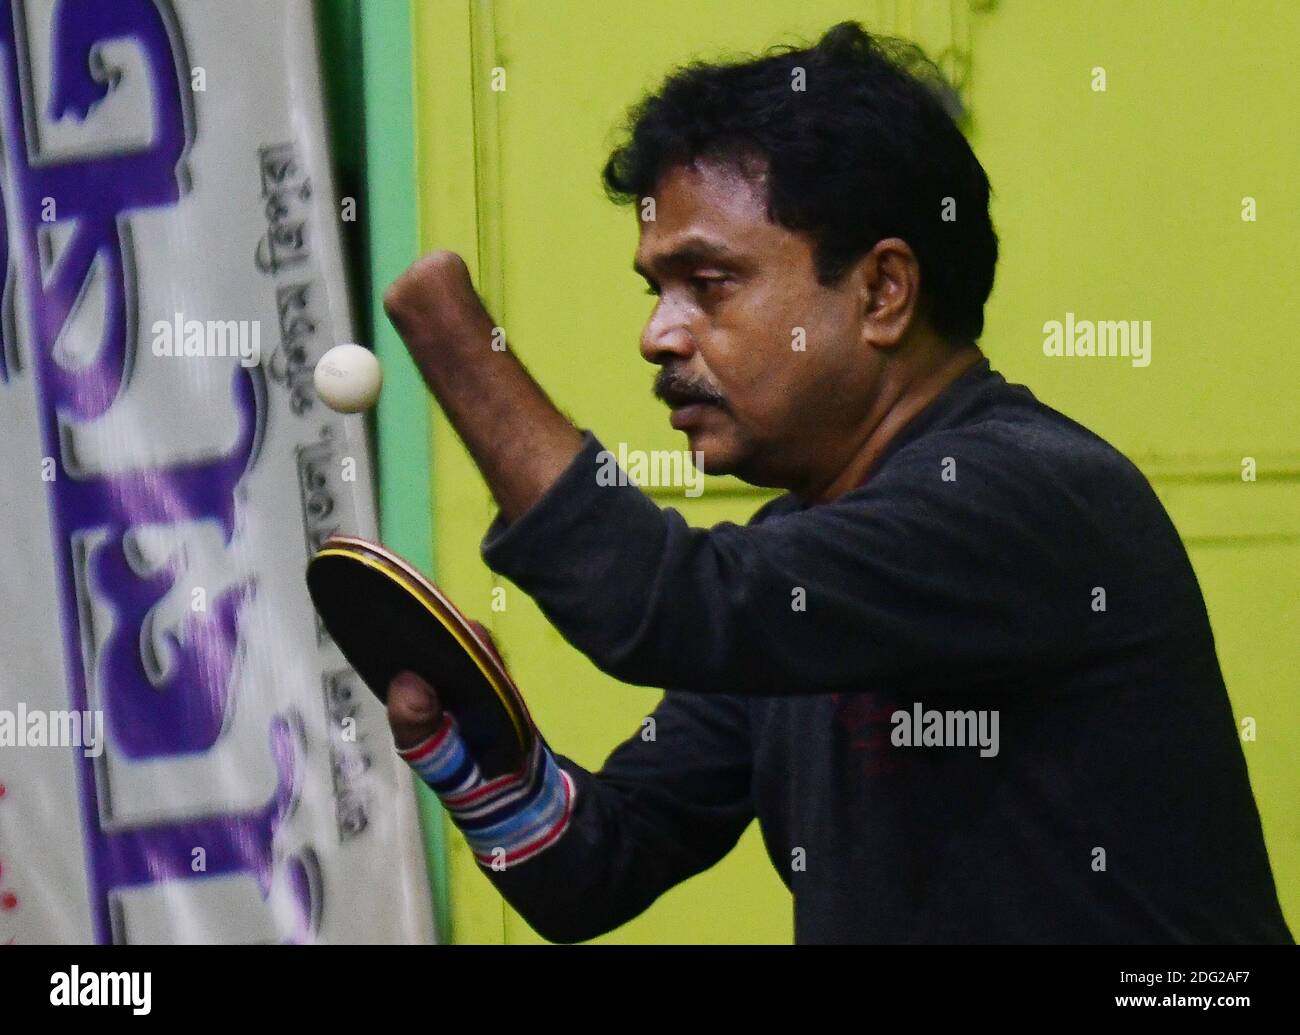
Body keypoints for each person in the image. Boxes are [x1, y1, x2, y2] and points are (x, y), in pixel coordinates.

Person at [378, 22, 1293, 944]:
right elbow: (593, 866)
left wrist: (452, 331)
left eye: (710, 282)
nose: (659, 334)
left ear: (884, 291)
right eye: (656, 290)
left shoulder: (1026, 497)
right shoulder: (803, 568)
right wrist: (475, 747)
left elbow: (655, 600)